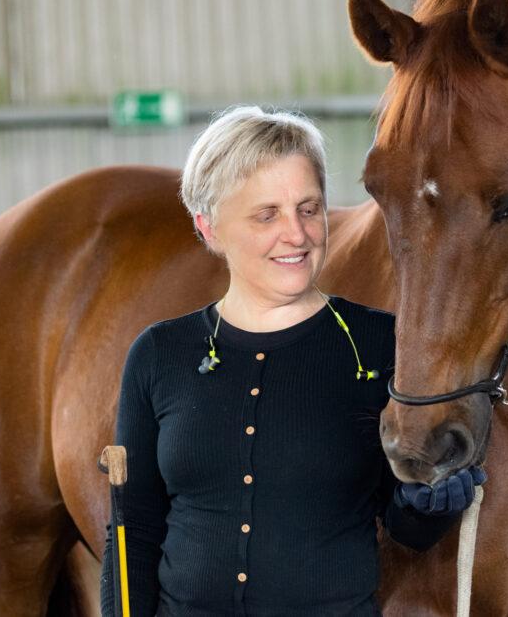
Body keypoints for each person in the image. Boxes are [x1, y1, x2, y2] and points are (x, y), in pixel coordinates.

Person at [99, 106, 485, 616]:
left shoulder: (376, 345)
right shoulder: (159, 355)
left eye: (309, 208)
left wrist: (429, 505)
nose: (298, 235)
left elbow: (405, 528)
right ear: (209, 227)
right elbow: (134, 528)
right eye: (267, 215)